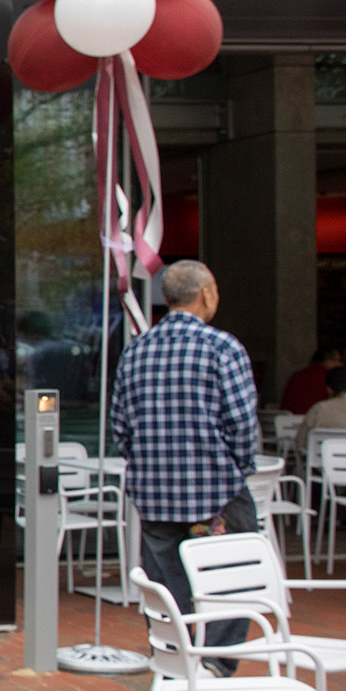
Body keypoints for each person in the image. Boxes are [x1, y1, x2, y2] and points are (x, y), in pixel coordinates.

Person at [109, 261, 262, 650]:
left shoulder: (136, 350)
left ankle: (174, 663)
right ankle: (214, 662)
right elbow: (242, 424)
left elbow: (120, 427)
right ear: (206, 294)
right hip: (216, 491)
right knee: (229, 581)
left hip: (155, 491)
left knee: (164, 589)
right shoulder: (222, 347)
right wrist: (239, 469)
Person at [280, 347, 346, 416]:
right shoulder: (327, 377)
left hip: (287, 422)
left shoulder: (297, 375)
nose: (341, 364)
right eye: (339, 361)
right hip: (314, 420)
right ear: (328, 361)